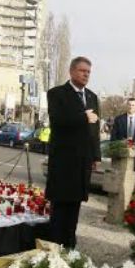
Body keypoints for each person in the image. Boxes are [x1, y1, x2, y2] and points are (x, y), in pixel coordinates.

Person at [46, 56, 101, 248]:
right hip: (63, 161)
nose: (86, 75)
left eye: (88, 72)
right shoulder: (56, 93)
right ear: (71, 71)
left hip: (82, 162)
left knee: (75, 207)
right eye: (82, 71)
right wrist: (83, 116)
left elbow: (95, 129)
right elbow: (58, 121)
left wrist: (96, 156)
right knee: (60, 208)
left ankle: (69, 245)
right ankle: (53, 248)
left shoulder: (92, 97)